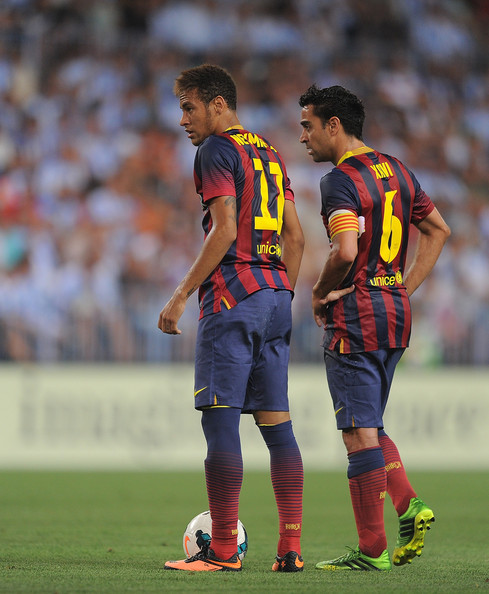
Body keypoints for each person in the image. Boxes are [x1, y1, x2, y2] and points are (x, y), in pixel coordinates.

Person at [159, 64, 306, 573]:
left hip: (232, 296)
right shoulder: (270, 152)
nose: (183, 119)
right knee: (278, 426)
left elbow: (223, 230)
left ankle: (222, 550)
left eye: (189, 107)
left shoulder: (215, 151)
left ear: (218, 104)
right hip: (275, 296)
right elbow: (296, 237)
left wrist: (181, 294)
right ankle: (290, 550)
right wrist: (279, 292)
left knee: (220, 421)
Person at [298, 84, 450, 571]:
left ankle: (371, 551)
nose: (303, 137)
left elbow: (344, 250)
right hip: (395, 315)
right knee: (370, 425)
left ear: (334, 125)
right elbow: (438, 229)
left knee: (357, 435)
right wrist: (401, 289)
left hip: (356, 317)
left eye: (308, 126)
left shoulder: (339, 181)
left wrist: (319, 292)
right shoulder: (398, 170)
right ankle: (409, 505)